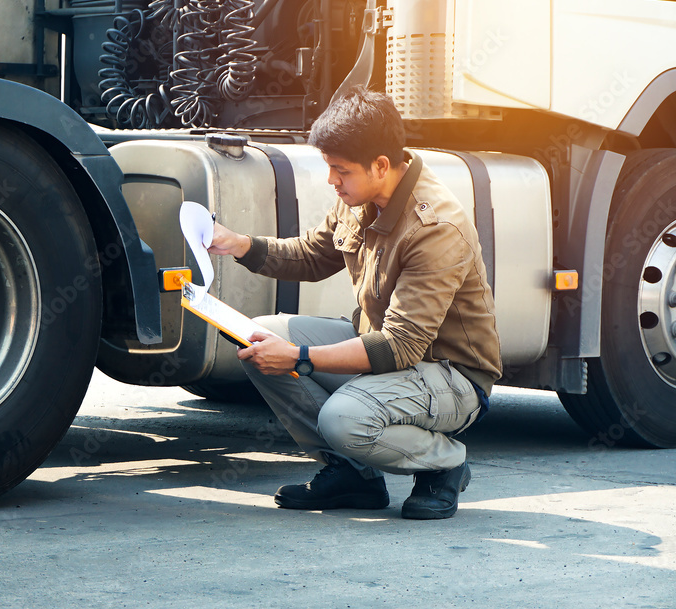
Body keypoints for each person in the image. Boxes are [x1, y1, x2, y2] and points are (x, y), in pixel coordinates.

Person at [207, 86, 501, 519]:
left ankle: (446, 464)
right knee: (258, 338)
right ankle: (352, 476)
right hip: (386, 351)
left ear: (380, 165)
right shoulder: (363, 198)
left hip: (451, 376)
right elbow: (311, 255)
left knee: (343, 418)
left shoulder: (436, 227)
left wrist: (299, 357)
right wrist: (238, 244)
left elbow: (400, 347)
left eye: (339, 170)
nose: (331, 180)